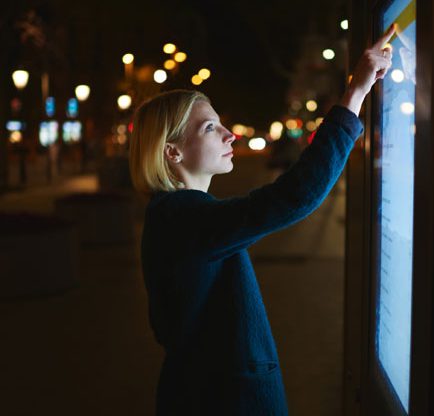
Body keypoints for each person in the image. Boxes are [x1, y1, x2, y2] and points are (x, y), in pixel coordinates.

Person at [128, 25, 395, 415]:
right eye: (209, 128)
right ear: (172, 152)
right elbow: (291, 198)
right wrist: (354, 95)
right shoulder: (180, 218)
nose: (229, 134)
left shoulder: (177, 215)